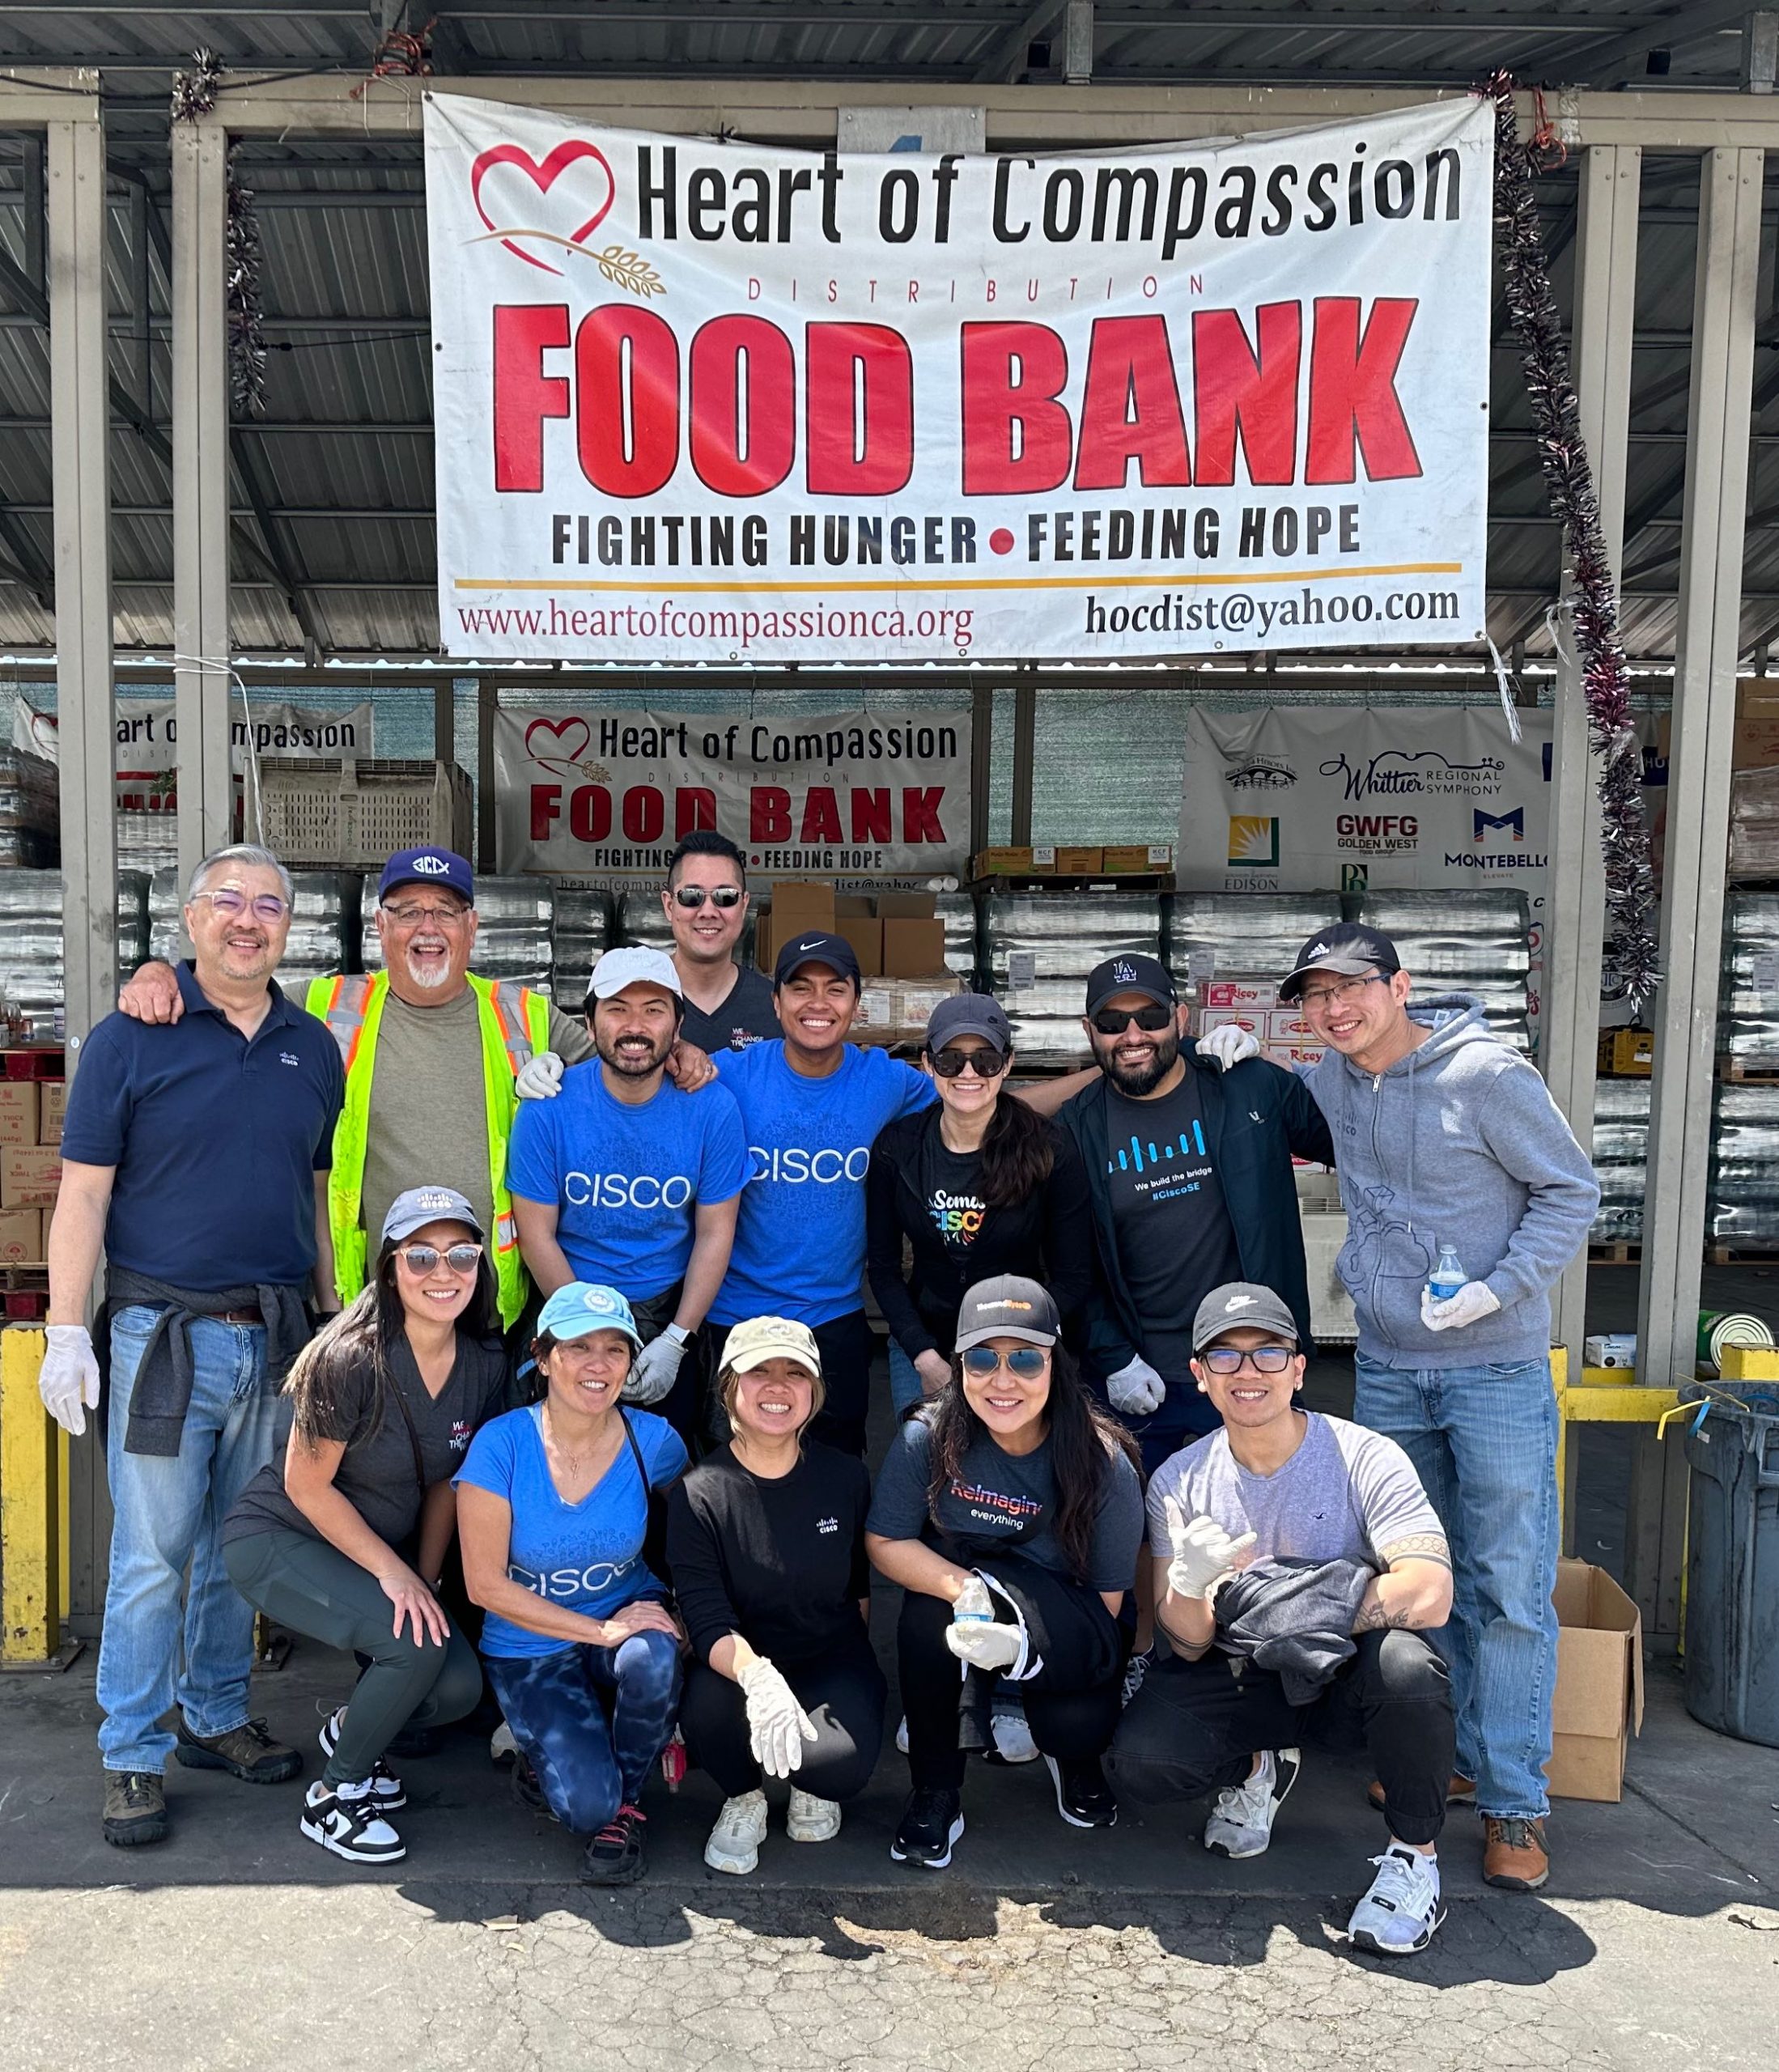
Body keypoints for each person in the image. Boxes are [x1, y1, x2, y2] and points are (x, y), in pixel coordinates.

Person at [1279, 920, 1599, 1895]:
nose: (1335, 1008)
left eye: (1352, 988)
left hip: (1494, 1366)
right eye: (1315, 995)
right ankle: (1449, 1755)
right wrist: (1230, 1068)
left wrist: (1498, 1289)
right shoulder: (1332, 1084)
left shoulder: (1486, 1076)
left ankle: (1513, 1802)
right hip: (1387, 1366)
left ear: (1398, 984)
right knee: (1418, 1575)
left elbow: (1569, 1191)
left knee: (1505, 1580)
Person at [40, 843, 344, 1848]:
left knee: (235, 1550)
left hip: (277, 1340)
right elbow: (83, 1191)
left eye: (267, 904)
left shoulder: (314, 1046)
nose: (247, 919)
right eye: (227, 902)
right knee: (150, 1558)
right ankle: (132, 1751)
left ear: (288, 926)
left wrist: (332, 1312)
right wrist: (64, 1328)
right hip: (164, 1337)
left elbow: (310, 1187)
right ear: (189, 919)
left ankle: (214, 1716)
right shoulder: (133, 1034)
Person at [1108, 1282, 1458, 1959]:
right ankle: (1255, 1769)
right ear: (1199, 1377)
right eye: (1226, 1357)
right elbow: (1185, 1640)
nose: (1249, 1373)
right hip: (1238, 1671)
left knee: (1409, 1667)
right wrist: (1186, 1581)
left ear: (1299, 1368)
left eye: (1268, 1354)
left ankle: (1414, 1857)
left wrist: (1293, 1609)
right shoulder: (1177, 1481)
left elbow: (1430, 1594)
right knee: (1144, 1761)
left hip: (1340, 1676)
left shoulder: (1364, 1456)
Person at [119, 847, 583, 1331]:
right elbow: (227, 988)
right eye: (408, 913)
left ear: (472, 927)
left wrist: (670, 1060)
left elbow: (623, 1066)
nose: (428, 928)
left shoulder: (528, 1016)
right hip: (362, 1314)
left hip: (490, 1315)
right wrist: (161, 974)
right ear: (381, 928)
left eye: (446, 912)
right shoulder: (323, 1005)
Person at [1058, 953, 1331, 1672]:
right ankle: (1149, 1664)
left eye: (1150, 1016)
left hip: (1242, 1364)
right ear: (1091, 1032)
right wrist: (1114, 1357)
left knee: (1252, 1527)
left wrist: (1273, 1058)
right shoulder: (1078, 1129)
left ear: (1181, 1018)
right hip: (1137, 1368)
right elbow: (1071, 1264)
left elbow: (1358, 1127)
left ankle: (1248, 1679)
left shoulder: (1249, 1089)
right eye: (1114, 1023)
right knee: (1135, 1532)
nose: (1134, 1034)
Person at [221, 1187, 507, 1864]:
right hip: (280, 1540)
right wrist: (394, 1574)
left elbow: (446, 1481)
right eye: (422, 1256)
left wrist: (427, 1580)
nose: (444, 1273)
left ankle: (355, 1731)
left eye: (462, 1255)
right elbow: (305, 1486)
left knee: (457, 1686)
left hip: (374, 1556)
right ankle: (336, 1797)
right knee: (411, 1650)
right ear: (389, 1267)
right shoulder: (347, 1358)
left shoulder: (484, 1366)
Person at [865, 1276, 1144, 1870]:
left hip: (1066, 1612)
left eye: (1024, 1358)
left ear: (1055, 1363)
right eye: (983, 1360)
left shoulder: (1102, 1459)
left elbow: (1109, 1607)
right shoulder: (929, 1434)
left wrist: (1023, 1644)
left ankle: (1073, 1760)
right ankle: (936, 1787)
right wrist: (963, 1589)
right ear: (960, 1365)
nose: (1003, 1379)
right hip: (972, 1592)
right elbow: (886, 1539)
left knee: (1074, 1727)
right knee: (923, 1621)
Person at [456, 1281, 689, 1885]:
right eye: (579, 1347)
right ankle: (568, 1773)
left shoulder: (654, 1441)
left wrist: (687, 1615)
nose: (598, 1364)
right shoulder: (501, 1445)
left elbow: (699, 1531)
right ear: (542, 1357)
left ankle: (627, 1807)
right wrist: (602, 1629)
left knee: (653, 1657)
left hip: (623, 1620)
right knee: (584, 1806)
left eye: (616, 1350)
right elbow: (483, 1586)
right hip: (529, 1647)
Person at [666, 1316, 884, 1875]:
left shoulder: (846, 1478)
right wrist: (759, 1679)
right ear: (728, 1389)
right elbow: (707, 1619)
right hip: (740, 1667)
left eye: (794, 1373)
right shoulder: (698, 1494)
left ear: (815, 1393)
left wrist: (854, 1675)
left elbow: (859, 1590)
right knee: (706, 1708)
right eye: (758, 1372)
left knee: (837, 1767)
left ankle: (808, 1781)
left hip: (828, 1657)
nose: (778, 1387)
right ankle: (744, 1797)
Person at [507, 945, 750, 1441]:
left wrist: (677, 1340)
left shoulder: (713, 1110)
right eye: (617, 1009)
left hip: (668, 1310)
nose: (635, 1026)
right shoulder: (547, 1109)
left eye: (654, 1010)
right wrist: (588, 1336)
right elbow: (536, 1236)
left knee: (669, 1473)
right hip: (567, 1300)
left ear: (677, 1027)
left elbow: (715, 1232)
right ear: (591, 1025)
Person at [868, 993, 1094, 1416]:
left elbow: (1074, 1276)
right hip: (926, 1339)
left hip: (1019, 1346)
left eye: (986, 1060)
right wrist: (923, 1354)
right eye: (951, 1059)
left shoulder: (1049, 1150)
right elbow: (882, 1268)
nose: (968, 1073)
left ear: (1007, 1064)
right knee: (926, 1467)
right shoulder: (897, 1149)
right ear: (927, 1064)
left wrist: (1015, 1349)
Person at [660, 830, 781, 1053]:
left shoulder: (776, 1006)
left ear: (744, 906)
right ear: (669, 906)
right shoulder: (636, 999)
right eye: (691, 897)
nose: (708, 912)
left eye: (725, 897)